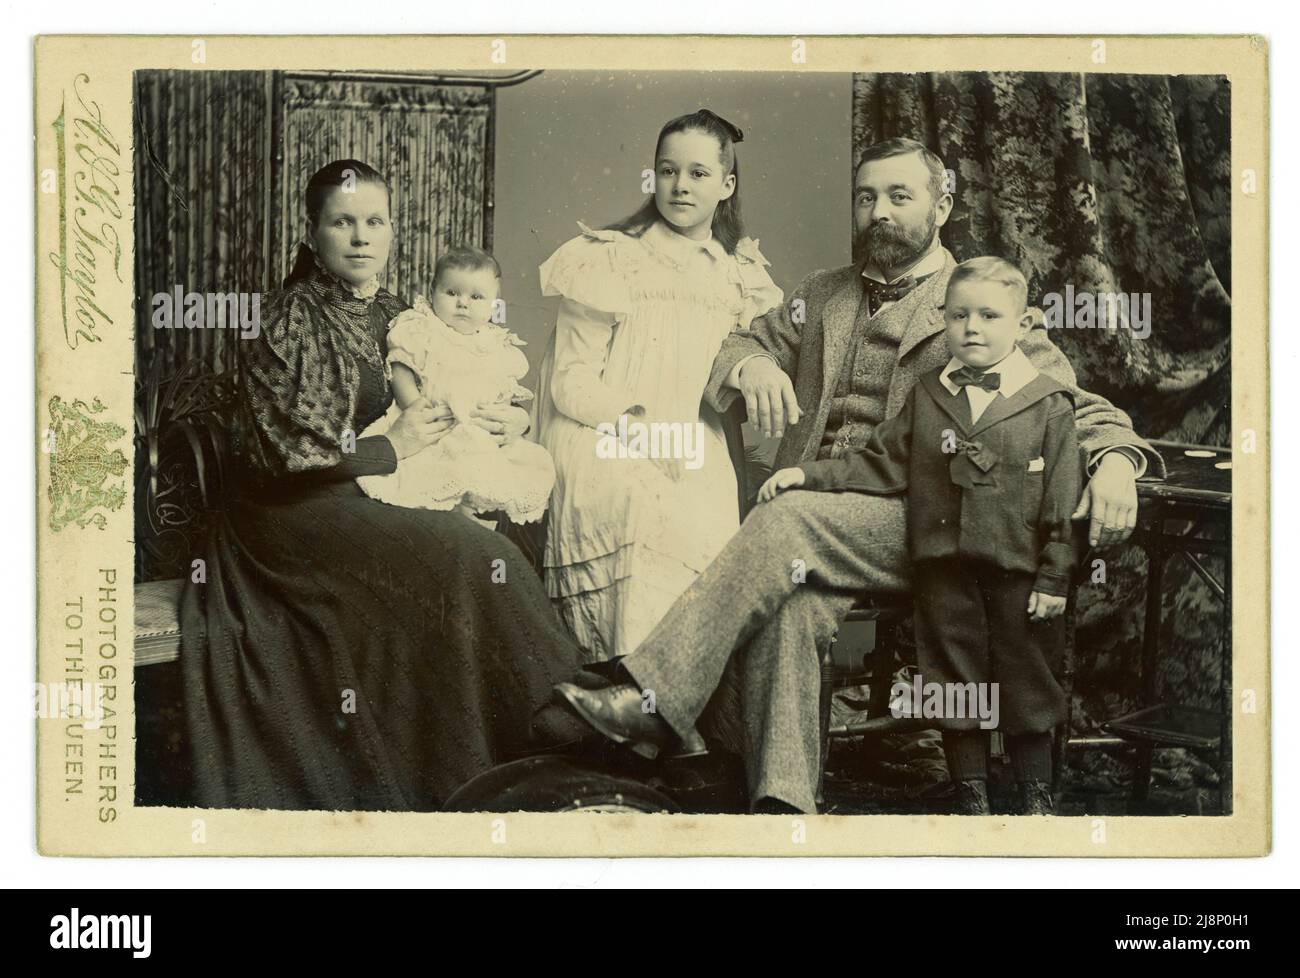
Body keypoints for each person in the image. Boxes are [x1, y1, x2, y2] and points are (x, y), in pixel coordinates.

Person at [554, 138, 1164, 814]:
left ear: (943, 203)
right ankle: (785, 806)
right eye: (867, 197)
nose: (879, 212)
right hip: (828, 512)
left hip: (927, 522)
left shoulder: (975, 303)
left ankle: (653, 698)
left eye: (900, 197)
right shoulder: (822, 294)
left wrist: (1115, 461)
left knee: (783, 520)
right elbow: (742, 341)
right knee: (791, 603)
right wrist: (752, 367)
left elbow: (1070, 405)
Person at [179, 160, 583, 812]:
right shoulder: (283, 321)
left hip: (385, 492)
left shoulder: (410, 318)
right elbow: (280, 453)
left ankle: (520, 749)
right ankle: (556, 719)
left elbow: (477, 384)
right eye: (343, 222)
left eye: (375, 221)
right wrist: (388, 448)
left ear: (394, 231)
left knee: (503, 529)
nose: (361, 237)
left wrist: (512, 417)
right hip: (294, 514)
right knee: (468, 552)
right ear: (312, 233)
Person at [759, 256, 1081, 815]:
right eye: (959, 316)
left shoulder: (1047, 404)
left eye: (988, 316)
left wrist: (1054, 575)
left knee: (1026, 683)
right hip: (944, 571)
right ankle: (971, 799)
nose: (972, 328)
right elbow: (877, 463)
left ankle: (1035, 798)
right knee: (956, 685)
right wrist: (806, 474)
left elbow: (1061, 501)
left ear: (1024, 324)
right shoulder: (931, 395)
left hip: (1018, 575)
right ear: (943, 321)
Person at [534, 109, 782, 671]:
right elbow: (570, 382)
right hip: (602, 430)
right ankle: (625, 692)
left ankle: (667, 709)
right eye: (667, 171)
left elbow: (751, 359)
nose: (680, 186)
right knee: (639, 503)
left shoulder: (740, 274)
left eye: (698, 173)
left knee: (698, 514)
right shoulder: (610, 257)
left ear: (727, 184)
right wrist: (638, 429)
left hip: (696, 437)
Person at [357, 246, 555, 526]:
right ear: (433, 290)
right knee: (438, 475)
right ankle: (457, 516)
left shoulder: (494, 344)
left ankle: (478, 512)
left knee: (505, 469)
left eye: (476, 297)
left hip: (478, 429)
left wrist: (509, 416)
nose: (463, 303)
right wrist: (415, 406)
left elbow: (503, 391)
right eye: (452, 293)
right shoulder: (421, 328)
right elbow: (400, 370)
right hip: (433, 424)